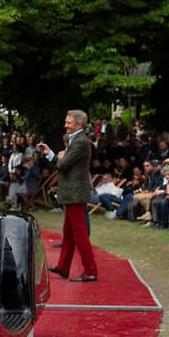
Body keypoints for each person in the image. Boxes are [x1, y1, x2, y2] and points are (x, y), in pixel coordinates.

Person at [47, 109, 98, 282]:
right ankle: (63, 267)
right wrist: (56, 156)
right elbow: (63, 162)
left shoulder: (81, 142)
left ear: (78, 124)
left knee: (79, 233)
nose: (65, 125)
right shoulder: (77, 140)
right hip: (73, 194)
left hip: (75, 194)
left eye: (68, 122)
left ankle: (90, 270)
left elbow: (63, 164)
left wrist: (56, 157)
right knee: (69, 232)